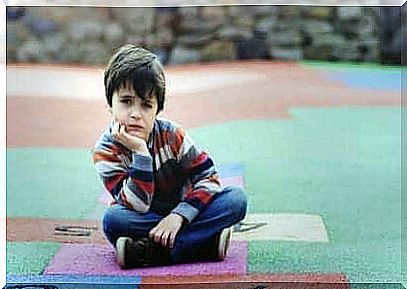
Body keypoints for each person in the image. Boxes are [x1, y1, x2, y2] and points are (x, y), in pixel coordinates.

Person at [92, 44, 247, 268]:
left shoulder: (172, 135)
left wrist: (178, 217)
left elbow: (209, 178)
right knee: (113, 220)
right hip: (145, 218)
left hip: (187, 211)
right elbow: (137, 206)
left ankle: (151, 252)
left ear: (157, 110)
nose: (135, 113)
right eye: (126, 101)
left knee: (236, 200)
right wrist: (140, 153)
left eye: (146, 105)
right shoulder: (105, 151)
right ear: (110, 104)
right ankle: (203, 244)